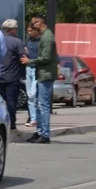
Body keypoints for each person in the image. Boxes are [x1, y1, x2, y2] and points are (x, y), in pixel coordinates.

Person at [21, 16, 58, 144]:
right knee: (37, 103)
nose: (32, 25)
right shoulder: (43, 36)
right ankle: (40, 131)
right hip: (41, 73)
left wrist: (29, 61)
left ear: (40, 23)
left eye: (34, 23)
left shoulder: (47, 36)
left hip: (46, 74)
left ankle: (45, 134)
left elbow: (46, 57)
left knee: (43, 105)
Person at [0, 19, 27, 127]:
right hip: (12, 76)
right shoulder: (17, 42)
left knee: (2, 100)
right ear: (12, 29)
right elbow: (22, 58)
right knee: (12, 100)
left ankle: (3, 121)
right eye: (16, 28)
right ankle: (11, 122)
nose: (16, 30)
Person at [24, 23, 40, 128]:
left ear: (36, 31)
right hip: (28, 68)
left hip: (36, 68)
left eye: (31, 31)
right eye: (28, 31)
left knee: (34, 94)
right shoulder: (28, 40)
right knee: (29, 95)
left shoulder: (40, 42)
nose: (29, 33)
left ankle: (37, 118)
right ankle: (33, 118)